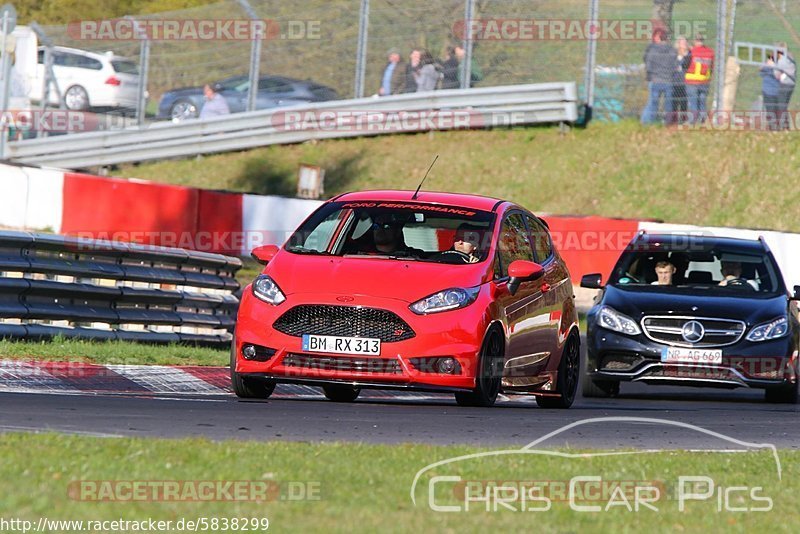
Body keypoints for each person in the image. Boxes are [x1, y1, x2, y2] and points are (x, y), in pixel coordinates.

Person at [641, 29, 677, 125]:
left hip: (655, 79)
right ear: (667, 39)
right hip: (668, 80)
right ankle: (668, 123)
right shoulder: (672, 50)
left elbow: (648, 64)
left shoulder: (653, 50)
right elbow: (675, 66)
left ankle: (649, 123)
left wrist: (651, 75)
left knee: (653, 103)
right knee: (668, 104)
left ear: (659, 38)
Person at [685, 34, 714, 124]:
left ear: (695, 41)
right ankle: (702, 121)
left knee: (693, 102)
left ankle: (693, 122)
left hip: (692, 81)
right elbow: (712, 67)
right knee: (702, 103)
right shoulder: (710, 52)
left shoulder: (692, 51)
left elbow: (685, 63)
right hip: (705, 82)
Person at [774, 43, 796, 130]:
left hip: (784, 84)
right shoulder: (791, 57)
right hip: (791, 84)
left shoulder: (781, 59)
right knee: (784, 105)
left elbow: (776, 74)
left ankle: (782, 126)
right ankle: (786, 126)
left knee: (781, 105)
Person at [672, 36, 691, 124]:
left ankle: (683, 120)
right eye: (682, 43)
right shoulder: (674, 54)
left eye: (685, 42)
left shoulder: (689, 54)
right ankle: (674, 120)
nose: (684, 44)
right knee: (674, 102)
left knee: (684, 102)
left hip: (685, 81)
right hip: (675, 81)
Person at [760, 53, 782, 131]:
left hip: (778, 93)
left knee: (778, 112)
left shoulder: (781, 66)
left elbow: (779, 76)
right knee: (770, 112)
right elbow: (761, 71)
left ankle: (777, 129)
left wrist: (773, 67)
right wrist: (766, 65)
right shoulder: (767, 66)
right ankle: (773, 129)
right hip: (768, 92)